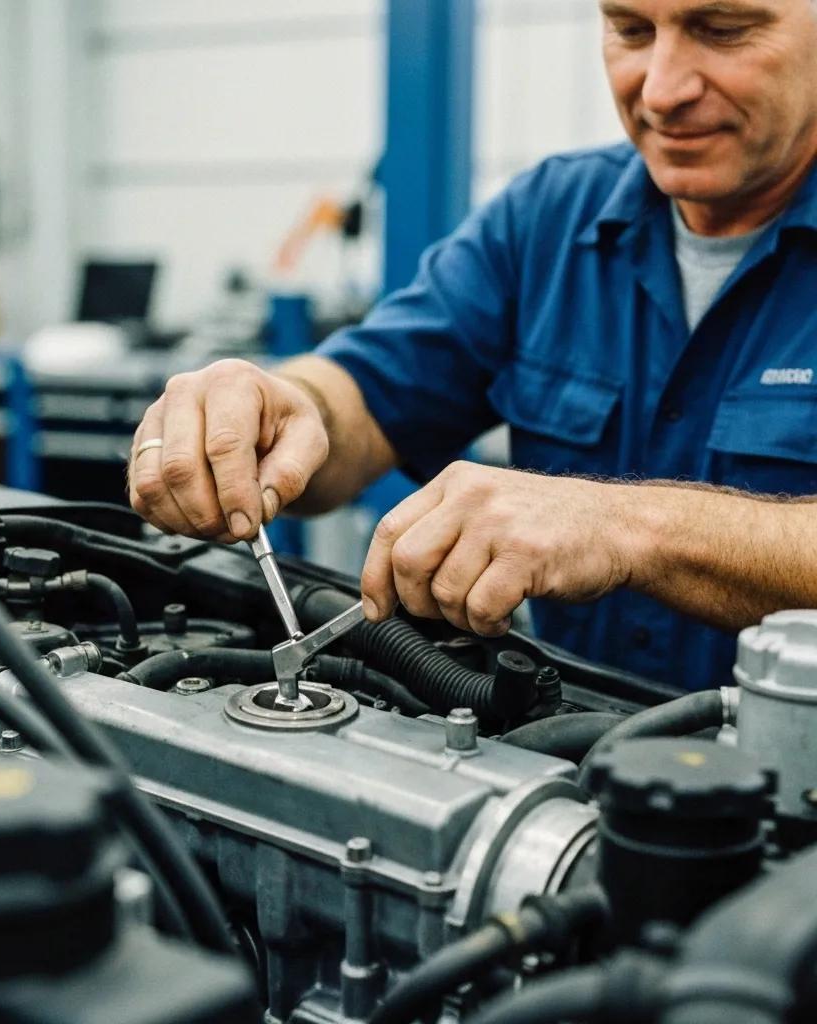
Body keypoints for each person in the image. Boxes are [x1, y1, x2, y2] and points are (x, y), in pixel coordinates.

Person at [128, 0, 817, 691]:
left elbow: (623, 526)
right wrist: (277, 408)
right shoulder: (547, 217)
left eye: (724, 31)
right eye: (630, 30)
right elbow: (363, 396)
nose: (662, 90)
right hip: (569, 764)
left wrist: (631, 528)